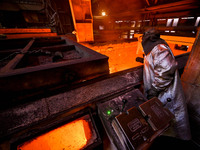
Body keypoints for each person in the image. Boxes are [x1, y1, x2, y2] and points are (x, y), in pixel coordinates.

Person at [140, 28, 191, 140]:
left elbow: (167, 69)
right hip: (162, 94)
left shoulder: (158, 49)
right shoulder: (155, 48)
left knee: (172, 126)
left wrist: (154, 89)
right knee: (164, 124)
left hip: (167, 96)